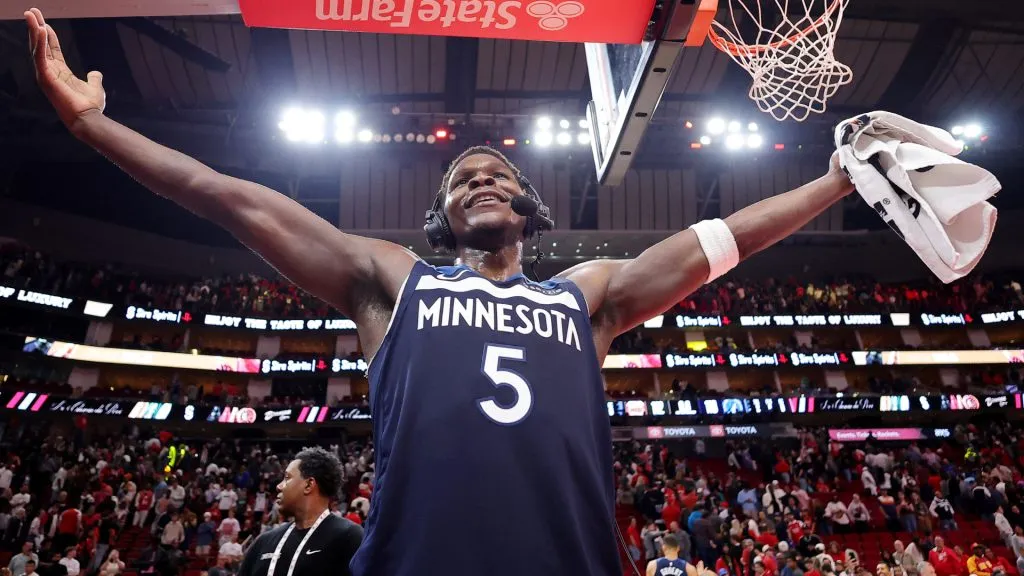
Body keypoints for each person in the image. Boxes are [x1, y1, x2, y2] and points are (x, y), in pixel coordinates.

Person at [23, 8, 856, 574]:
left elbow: (722, 241)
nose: (482, 180)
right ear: (441, 215)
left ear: (529, 208)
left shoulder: (585, 295)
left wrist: (833, 180)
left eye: (498, 174)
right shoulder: (392, 282)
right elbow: (226, 194)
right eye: (463, 178)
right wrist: (92, 124)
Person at [236, 448, 363, 576]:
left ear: (309, 485)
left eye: (287, 478)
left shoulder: (349, 537)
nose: (279, 486)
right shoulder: (263, 542)